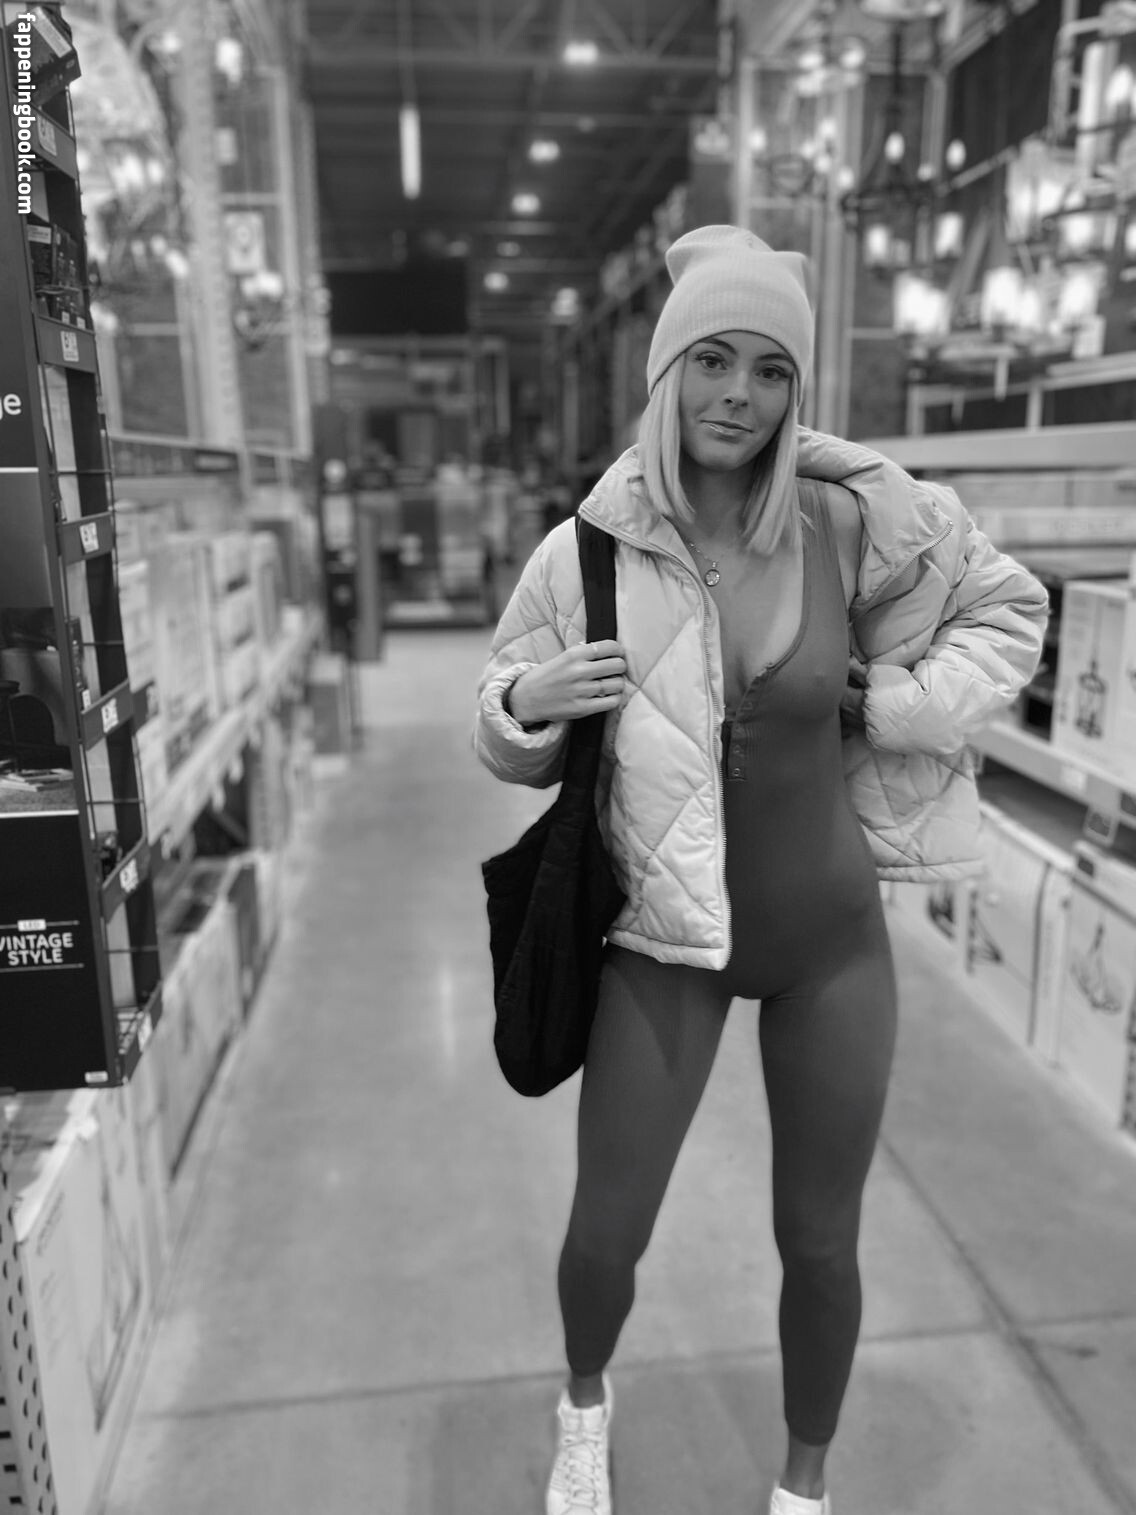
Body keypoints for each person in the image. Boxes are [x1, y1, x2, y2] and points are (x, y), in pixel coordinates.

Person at [473, 225, 1048, 1515]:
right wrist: (526, 703)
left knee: (822, 1241)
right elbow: (499, 722)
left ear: (797, 389)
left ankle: (804, 1483)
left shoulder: (853, 521)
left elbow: (1009, 610)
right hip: (663, 941)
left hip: (830, 945)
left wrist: (895, 703)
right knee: (606, 1229)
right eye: (714, 360)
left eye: (771, 369)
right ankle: (582, 1408)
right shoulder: (589, 550)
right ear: (667, 372)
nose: (740, 394)